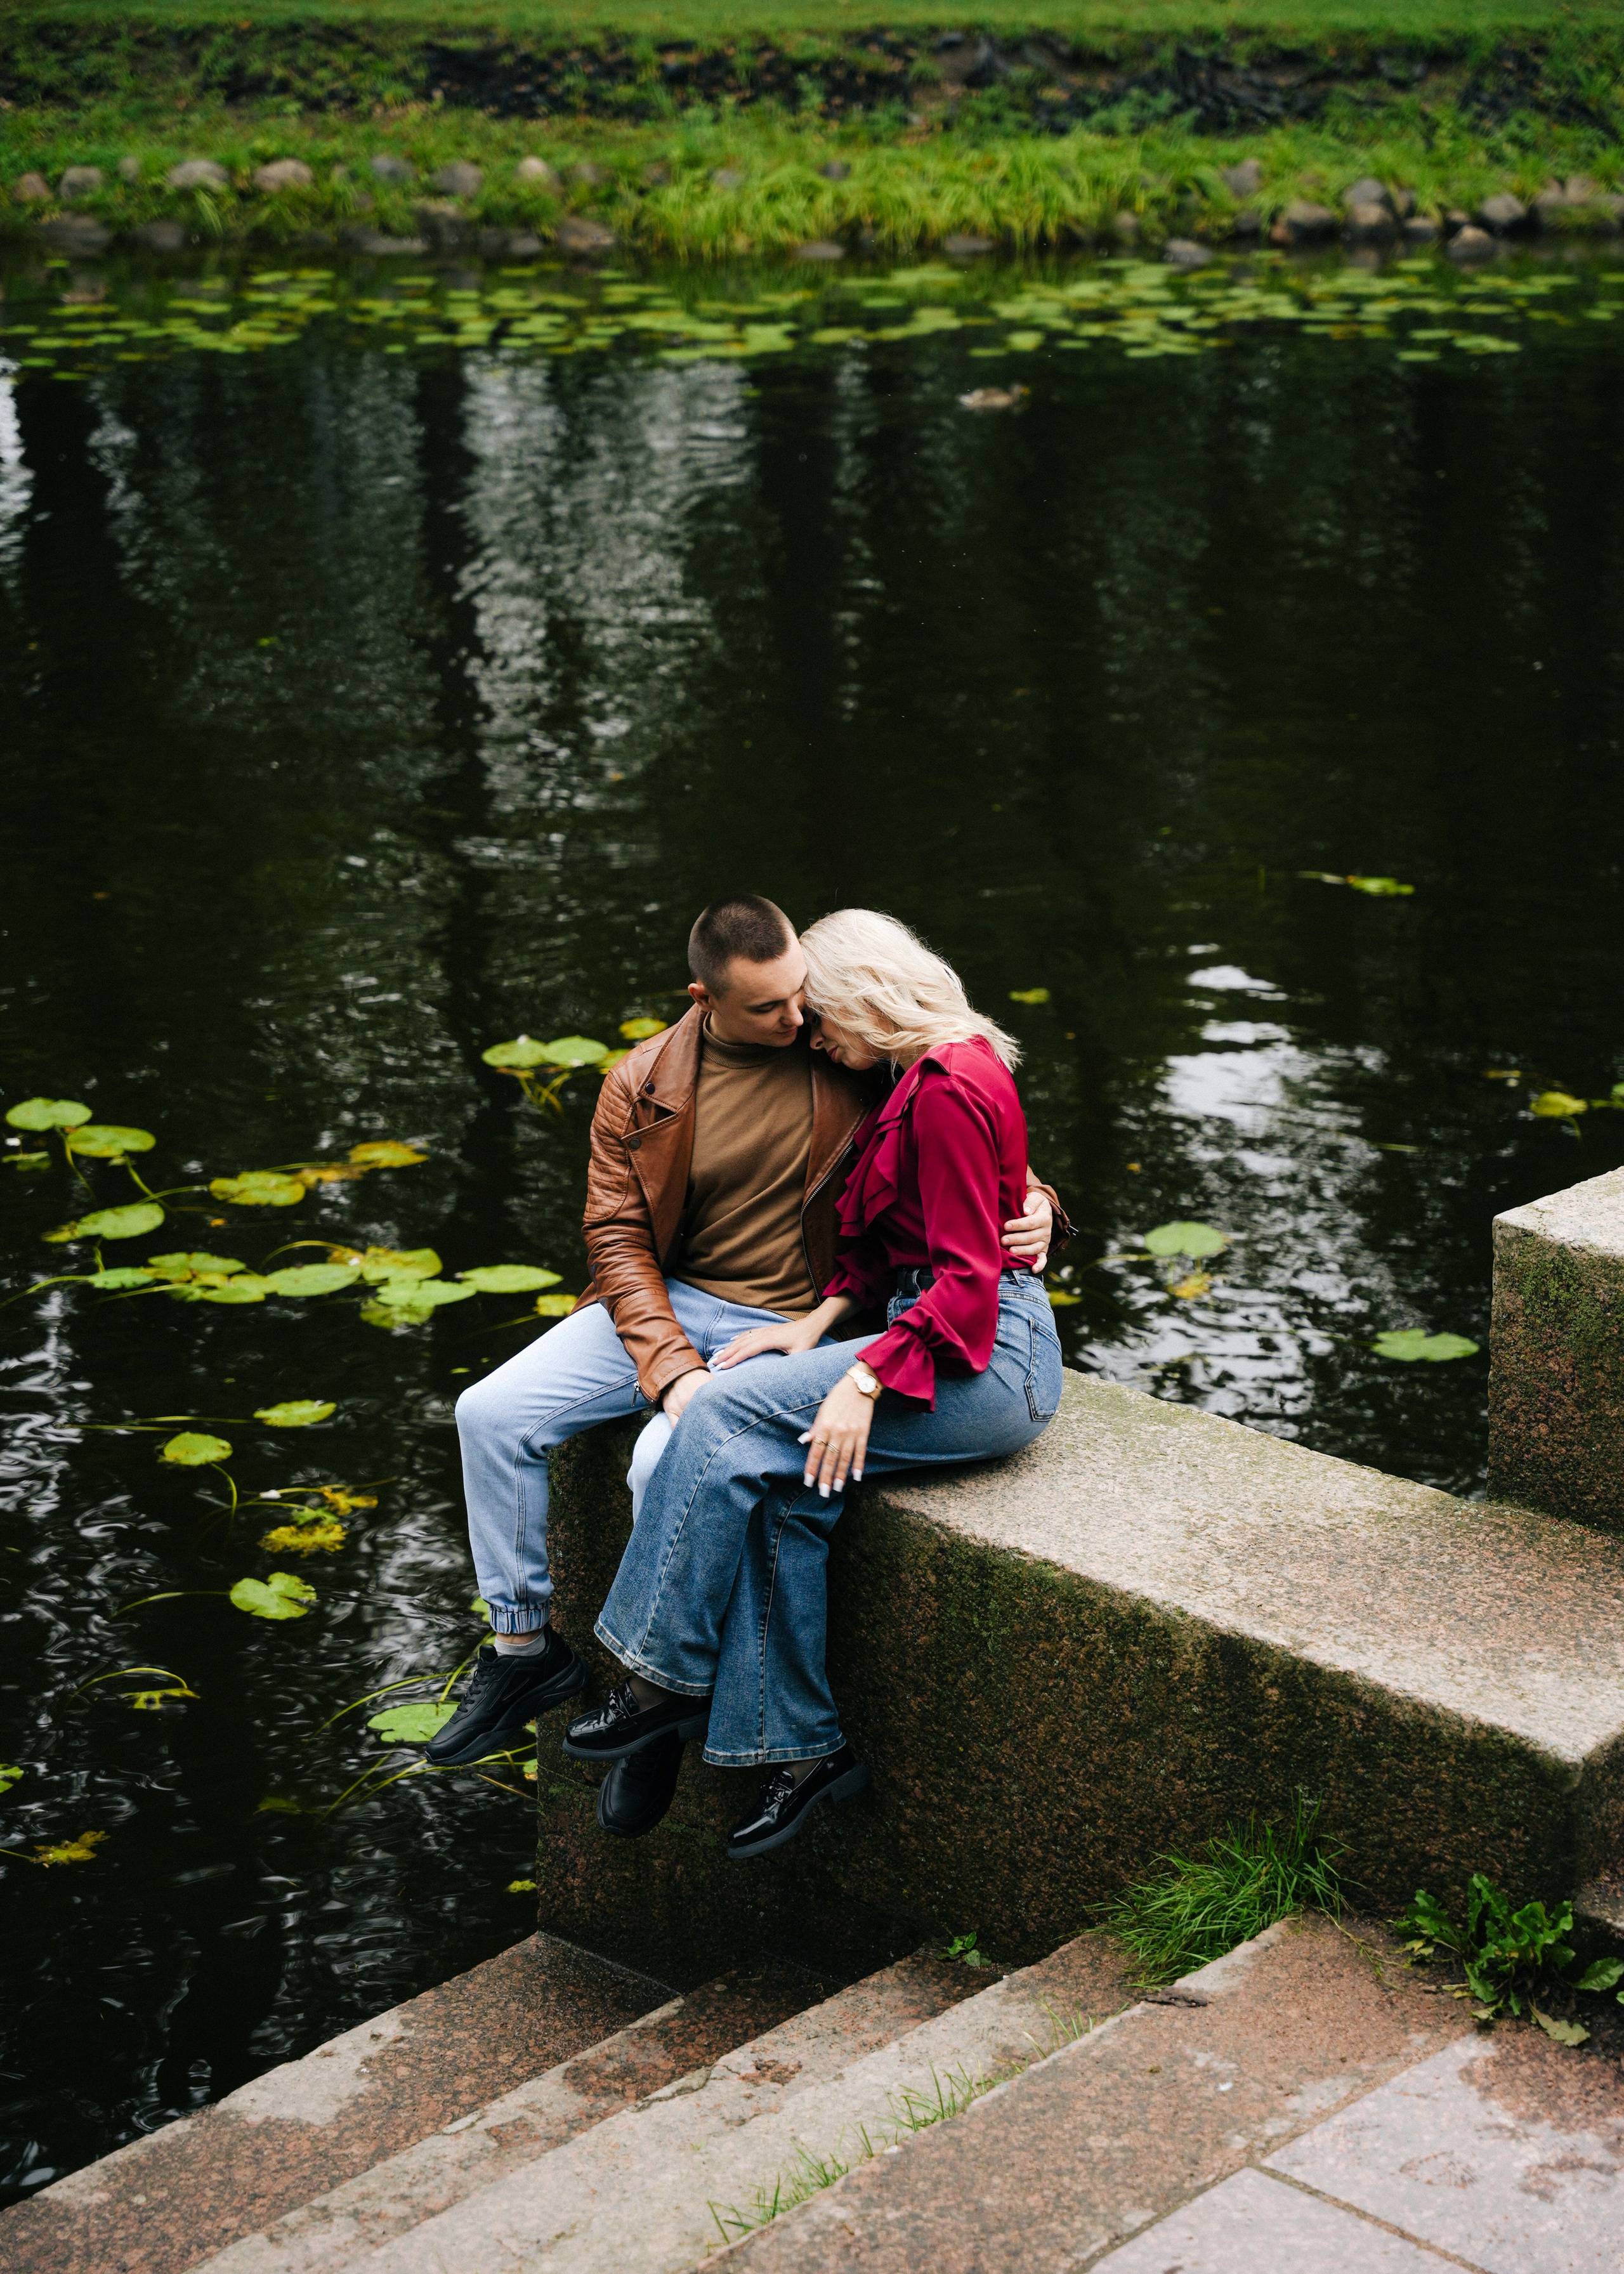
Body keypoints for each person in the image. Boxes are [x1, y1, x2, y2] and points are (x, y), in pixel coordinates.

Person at [429, 895, 1059, 1784]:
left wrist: (1040, 1203)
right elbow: (615, 1236)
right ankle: (524, 1652)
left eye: (803, 997)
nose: (797, 1019)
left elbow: (969, 1130)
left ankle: (654, 1711)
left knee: (667, 1460)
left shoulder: (847, 1044)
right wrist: (670, 1366)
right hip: (670, 1306)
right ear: (705, 997)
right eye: (771, 1007)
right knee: (487, 1414)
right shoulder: (642, 1082)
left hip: (791, 1320)